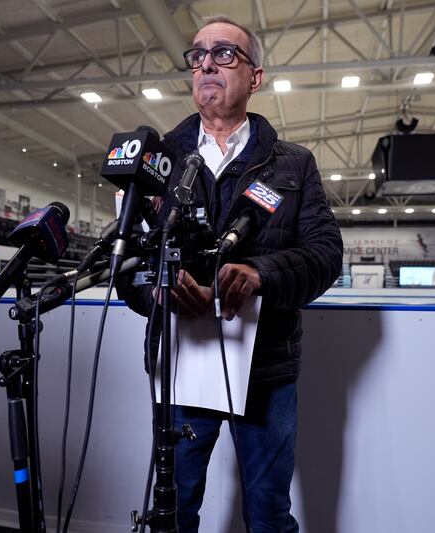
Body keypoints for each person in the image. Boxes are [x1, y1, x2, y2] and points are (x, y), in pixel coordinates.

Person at [117, 15, 343, 533]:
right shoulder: (156, 162)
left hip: (266, 370)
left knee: (267, 511)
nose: (206, 64)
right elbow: (125, 261)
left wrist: (260, 273)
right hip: (180, 364)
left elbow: (326, 254)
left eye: (224, 54)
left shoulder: (293, 165)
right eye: (197, 55)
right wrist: (156, 289)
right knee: (172, 508)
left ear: (255, 77)